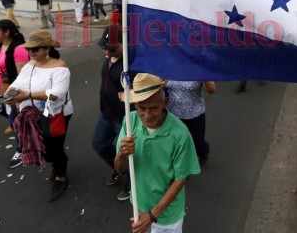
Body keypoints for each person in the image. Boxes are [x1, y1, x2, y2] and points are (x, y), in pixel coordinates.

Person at [115, 73, 201, 233]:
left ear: (165, 103)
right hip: (139, 207)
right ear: (134, 105)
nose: (147, 116)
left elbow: (181, 179)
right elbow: (119, 169)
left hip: (167, 216)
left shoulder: (180, 134)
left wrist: (153, 215)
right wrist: (120, 154)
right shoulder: (130, 121)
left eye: (154, 108)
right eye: (142, 108)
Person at [6, 30, 73, 202]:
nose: (31, 52)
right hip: (34, 114)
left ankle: (61, 176)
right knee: (44, 146)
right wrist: (9, 94)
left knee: (54, 146)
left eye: (35, 49)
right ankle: (57, 166)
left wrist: (27, 96)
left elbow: (56, 94)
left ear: (46, 49)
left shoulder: (60, 67)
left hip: (56, 114)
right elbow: (17, 83)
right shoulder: (30, 65)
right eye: (29, 49)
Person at [92, 26, 132, 201]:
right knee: (99, 145)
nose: (107, 53)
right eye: (104, 48)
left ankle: (131, 183)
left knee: (128, 155)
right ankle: (118, 169)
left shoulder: (132, 65)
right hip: (106, 115)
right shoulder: (109, 59)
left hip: (124, 120)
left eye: (112, 48)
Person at [0, 19, 28, 167]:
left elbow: (22, 76)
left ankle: (21, 150)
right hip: (4, 89)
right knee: (16, 121)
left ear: (6, 32)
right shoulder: (1, 46)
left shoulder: (17, 49)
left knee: (14, 122)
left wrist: (17, 96)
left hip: (15, 92)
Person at [166, 81, 215, 166]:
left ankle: (203, 151)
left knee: (197, 143)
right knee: (177, 142)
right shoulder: (169, 69)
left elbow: (211, 90)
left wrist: (206, 81)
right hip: (174, 114)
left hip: (195, 114)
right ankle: (181, 164)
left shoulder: (198, 69)